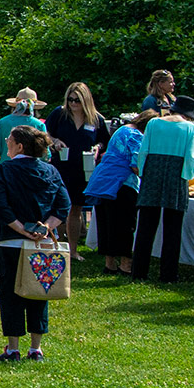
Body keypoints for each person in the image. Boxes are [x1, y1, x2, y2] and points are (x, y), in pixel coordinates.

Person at [0, 126, 71, 362]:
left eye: (10, 139)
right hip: (40, 245)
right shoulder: (50, 171)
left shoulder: (5, 169)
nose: (7, 142)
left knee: (9, 293)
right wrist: (46, 227)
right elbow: (63, 206)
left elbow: (0, 205)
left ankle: (13, 347)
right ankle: (36, 347)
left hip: (10, 241)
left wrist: (21, 228)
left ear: (20, 145)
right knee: (39, 292)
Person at [129, 97, 194, 284]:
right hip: (176, 175)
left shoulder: (153, 123)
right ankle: (168, 274)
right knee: (172, 229)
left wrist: (145, 173)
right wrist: (188, 175)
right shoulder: (191, 129)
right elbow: (191, 158)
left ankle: (139, 271)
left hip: (153, 171)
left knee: (145, 227)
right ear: (188, 116)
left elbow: (143, 151)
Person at [44, 83, 110, 245]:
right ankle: (57, 246)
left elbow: (105, 141)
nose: (73, 103)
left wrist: (97, 148)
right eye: (70, 99)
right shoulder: (59, 114)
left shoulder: (96, 119)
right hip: (60, 167)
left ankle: (72, 250)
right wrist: (55, 141)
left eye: (77, 100)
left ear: (85, 100)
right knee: (58, 208)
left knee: (76, 208)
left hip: (83, 169)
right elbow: (44, 133)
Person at [84, 112, 147, 276]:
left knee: (106, 223)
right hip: (121, 182)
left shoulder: (122, 130)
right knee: (125, 224)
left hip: (103, 178)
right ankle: (126, 264)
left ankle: (109, 263)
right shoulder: (137, 136)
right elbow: (136, 165)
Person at [0, 89, 48, 156]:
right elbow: (45, 154)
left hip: (7, 165)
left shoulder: (4, 122)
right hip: (31, 165)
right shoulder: (39, 124)